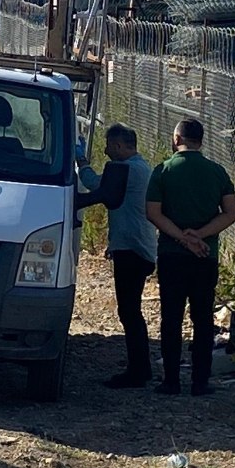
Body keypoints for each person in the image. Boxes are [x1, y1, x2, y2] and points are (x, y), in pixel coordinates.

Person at [145, 119, 235, 396]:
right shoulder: (216, 171)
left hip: (172, 255)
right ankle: (200, 381)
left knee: (171, 317)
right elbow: (231, 212)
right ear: (201, 140)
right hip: (205, 255)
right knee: (202, 318)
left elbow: (153, 212)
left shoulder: (163, 170)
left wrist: (181, 237)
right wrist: (200, 235)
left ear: (176, 139)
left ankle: (171, 380)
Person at [77, 123, 159, 389]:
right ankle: (140, 368)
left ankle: (138, 370)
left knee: (130, 311)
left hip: (132, 249)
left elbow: (98, 187)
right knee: (130, 309)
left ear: (120, 146)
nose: (106, 150)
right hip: (135, 247)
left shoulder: (128, 170)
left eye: (110, 146)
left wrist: (80, 162)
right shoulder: (139, 168)